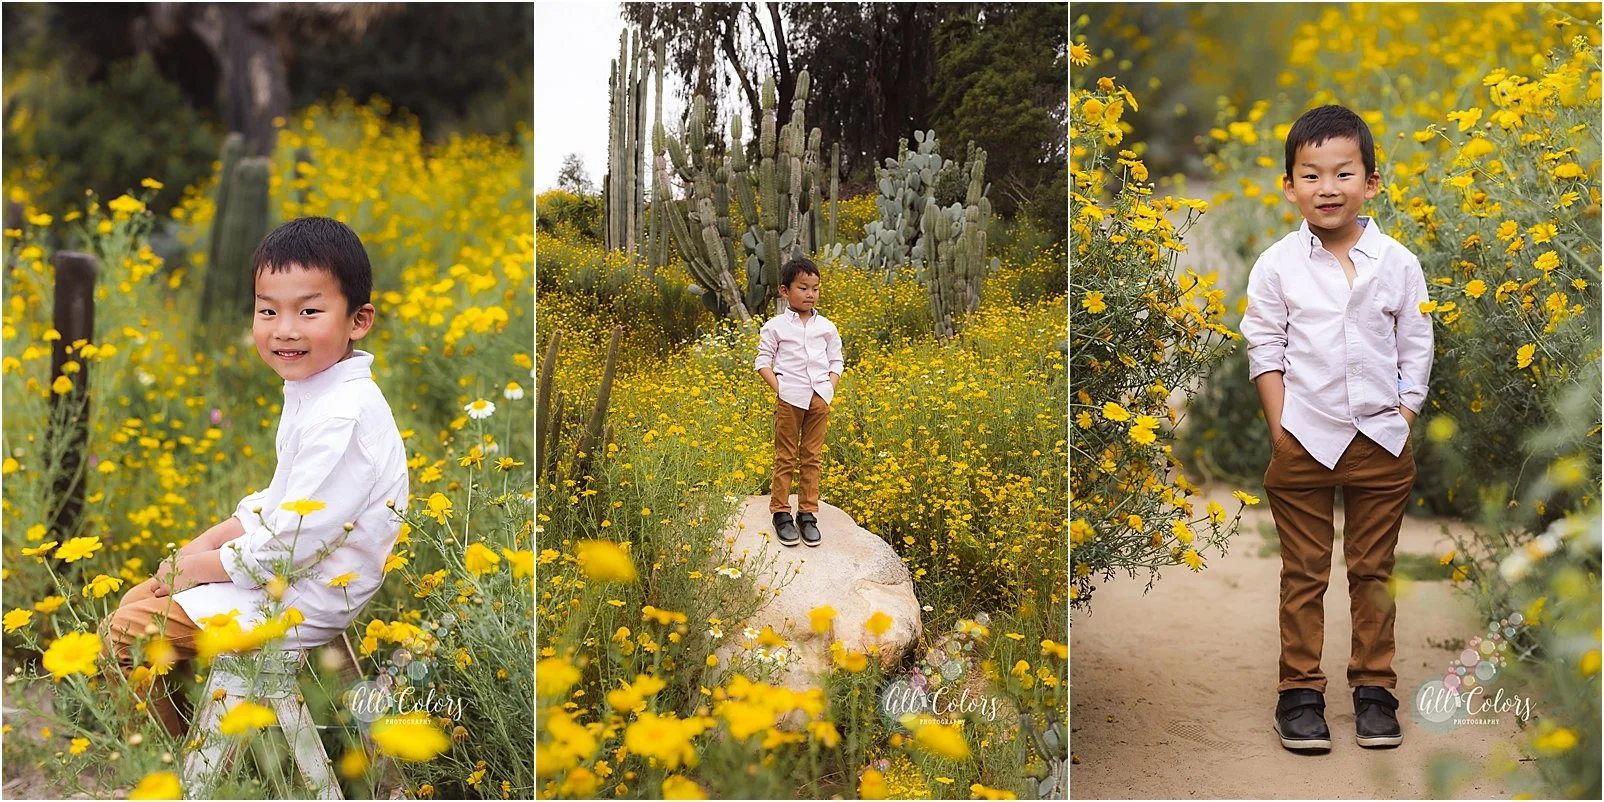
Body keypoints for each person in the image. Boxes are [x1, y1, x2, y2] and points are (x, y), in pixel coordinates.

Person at [98, 216, 410, 738]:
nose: (284, 328)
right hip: (290, 575)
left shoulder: (341, 415)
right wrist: (198, 548)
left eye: (309, 311)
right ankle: (200, 736)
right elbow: (279, 501)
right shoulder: (320, 390)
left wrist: (199, 566)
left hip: (307, 590)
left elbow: (292, 542)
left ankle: (173, 761)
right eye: (268, 311)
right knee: (136, 599)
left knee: (123, 635)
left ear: (359, 320)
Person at [1240, 104, 1433, 753]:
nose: (1328, 188)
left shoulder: (1398, 263)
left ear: (1371, 182)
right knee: (1304, 574)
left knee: (1374, 570)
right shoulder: (1277, 265)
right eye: (1311, 174)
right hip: (1305, 441)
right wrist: (1281, 430)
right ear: (1289, 186)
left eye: (1343, 173)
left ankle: (1375, 690)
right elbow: (1264, 346)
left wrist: (1403, 415)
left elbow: (1417, 344)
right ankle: (1299, 693)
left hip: (1382, 443)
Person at [754, 256, 844, 548]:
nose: (810, 294)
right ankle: (780, 512)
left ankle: (807, 513)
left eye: (815, 289)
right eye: (803, 288)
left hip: (819, 398)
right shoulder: (776, 326)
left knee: (812, 457)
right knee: (786, 455)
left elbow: (836, 360)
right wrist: (781, 388)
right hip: (790, 398)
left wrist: (827, 388)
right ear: (784, 291)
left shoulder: (827, 327)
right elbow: (762, 361)